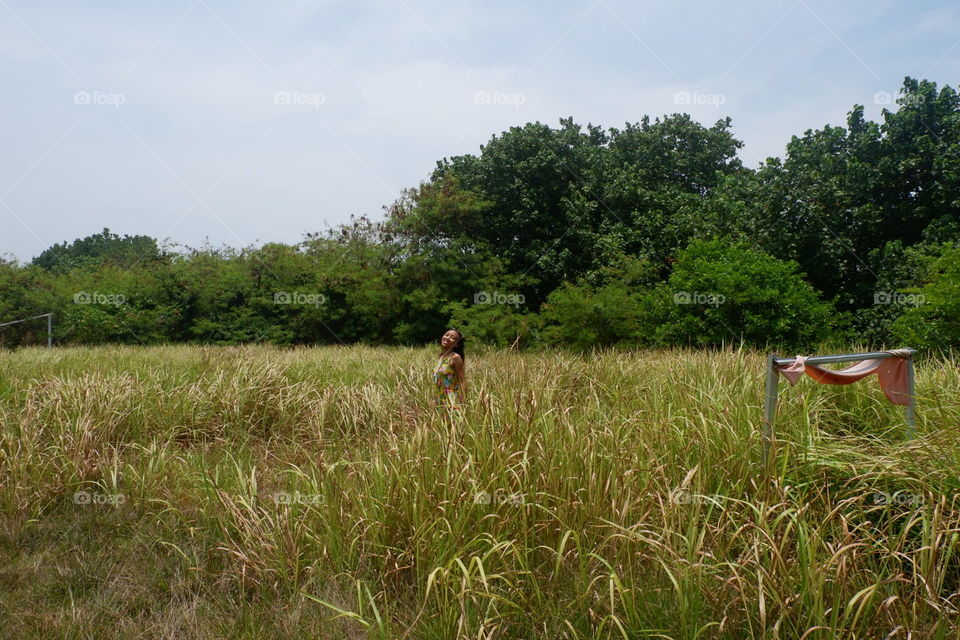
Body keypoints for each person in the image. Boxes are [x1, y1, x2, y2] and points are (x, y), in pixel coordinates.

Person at [434, 328, 466, 410]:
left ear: (456, 344)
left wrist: (462, 403)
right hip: (439, 400)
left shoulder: (455, 357)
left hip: (451, 401)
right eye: (446, 335)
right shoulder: (441, 357)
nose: (447, 338)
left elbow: (462, 381)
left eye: (452, 337)